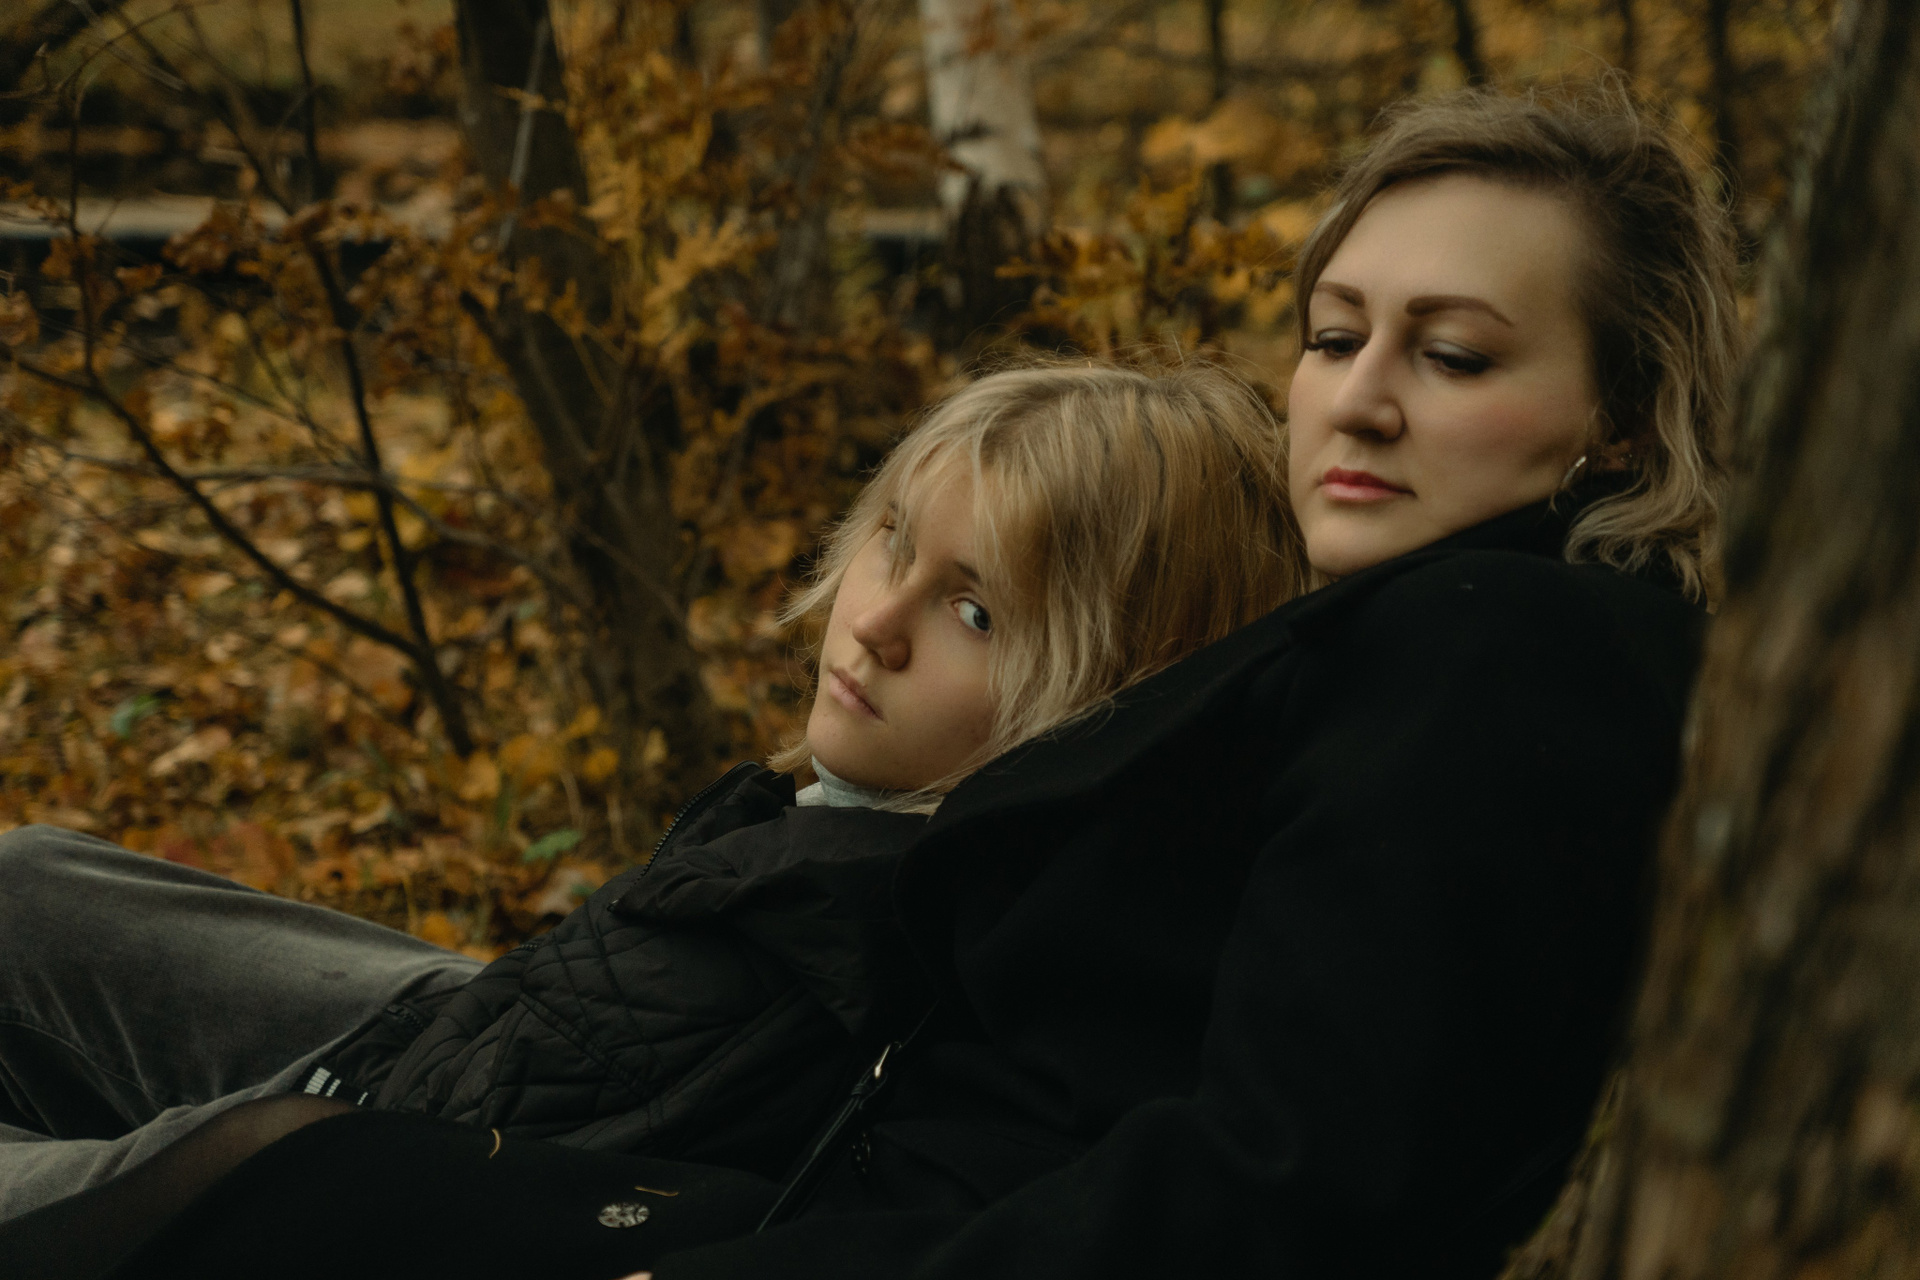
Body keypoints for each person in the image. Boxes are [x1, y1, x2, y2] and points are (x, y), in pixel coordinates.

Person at [7, 81, 1736, 1280]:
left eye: (1454, 356)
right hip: (720, 1096)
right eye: (1335, 334)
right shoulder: (1405, 625)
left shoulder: (1513, 647)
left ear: (1617, 419)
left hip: (778, 1200)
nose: (1359, 397)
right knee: (46, 911)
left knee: (231, 1186)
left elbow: (1284, 1195)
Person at [0, 359, 1303, 1279]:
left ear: (1108, 696)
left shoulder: (904, 931)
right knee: (29, 883)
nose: (875, 621)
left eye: (974, 612)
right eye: (895, 541)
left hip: (409, 1151)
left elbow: (512, 1161)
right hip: (484, 1030)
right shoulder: (861, 831)